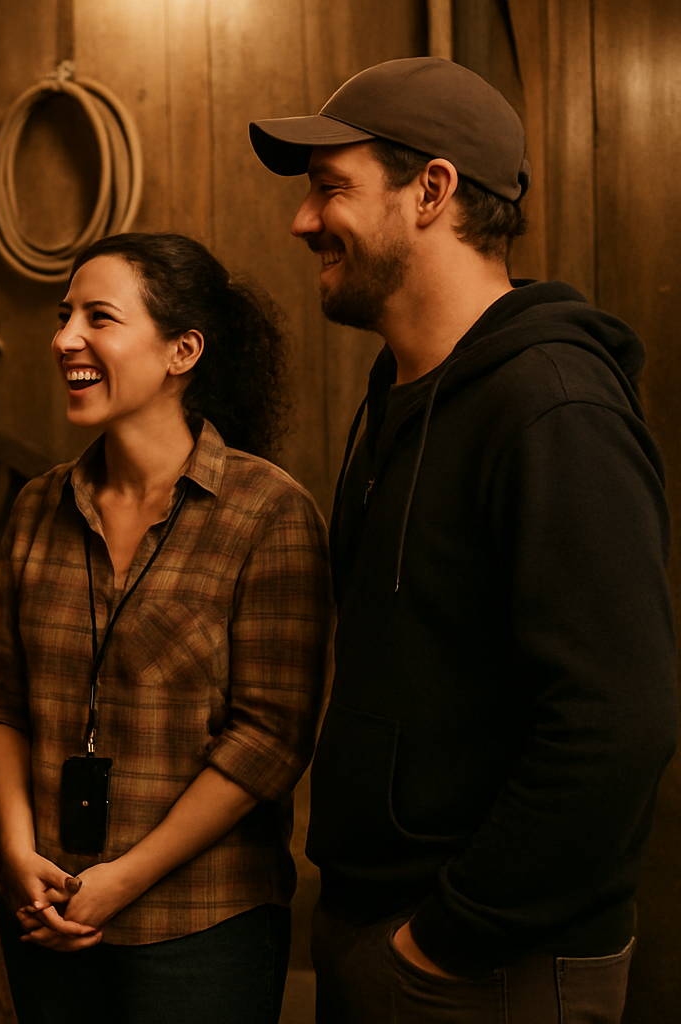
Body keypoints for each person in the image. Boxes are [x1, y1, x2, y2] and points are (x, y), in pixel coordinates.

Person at [249, 56, 678, 1023]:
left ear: (432, 190)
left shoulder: (554, 405)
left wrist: (448, 938)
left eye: (331, 188)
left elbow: (616, 724)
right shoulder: (399, 388)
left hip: (488, 966)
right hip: (380, 928)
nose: (303, 220)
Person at [0, 232, 331, 1023]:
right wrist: (17, 849)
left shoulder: (269, 513)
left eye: (99, 318)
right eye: (64, 317)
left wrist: (123, 880)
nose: (66, 339)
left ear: (182, 352)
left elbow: (268, 742)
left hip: (203, 924)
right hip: (43, 906)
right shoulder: (37, 506)